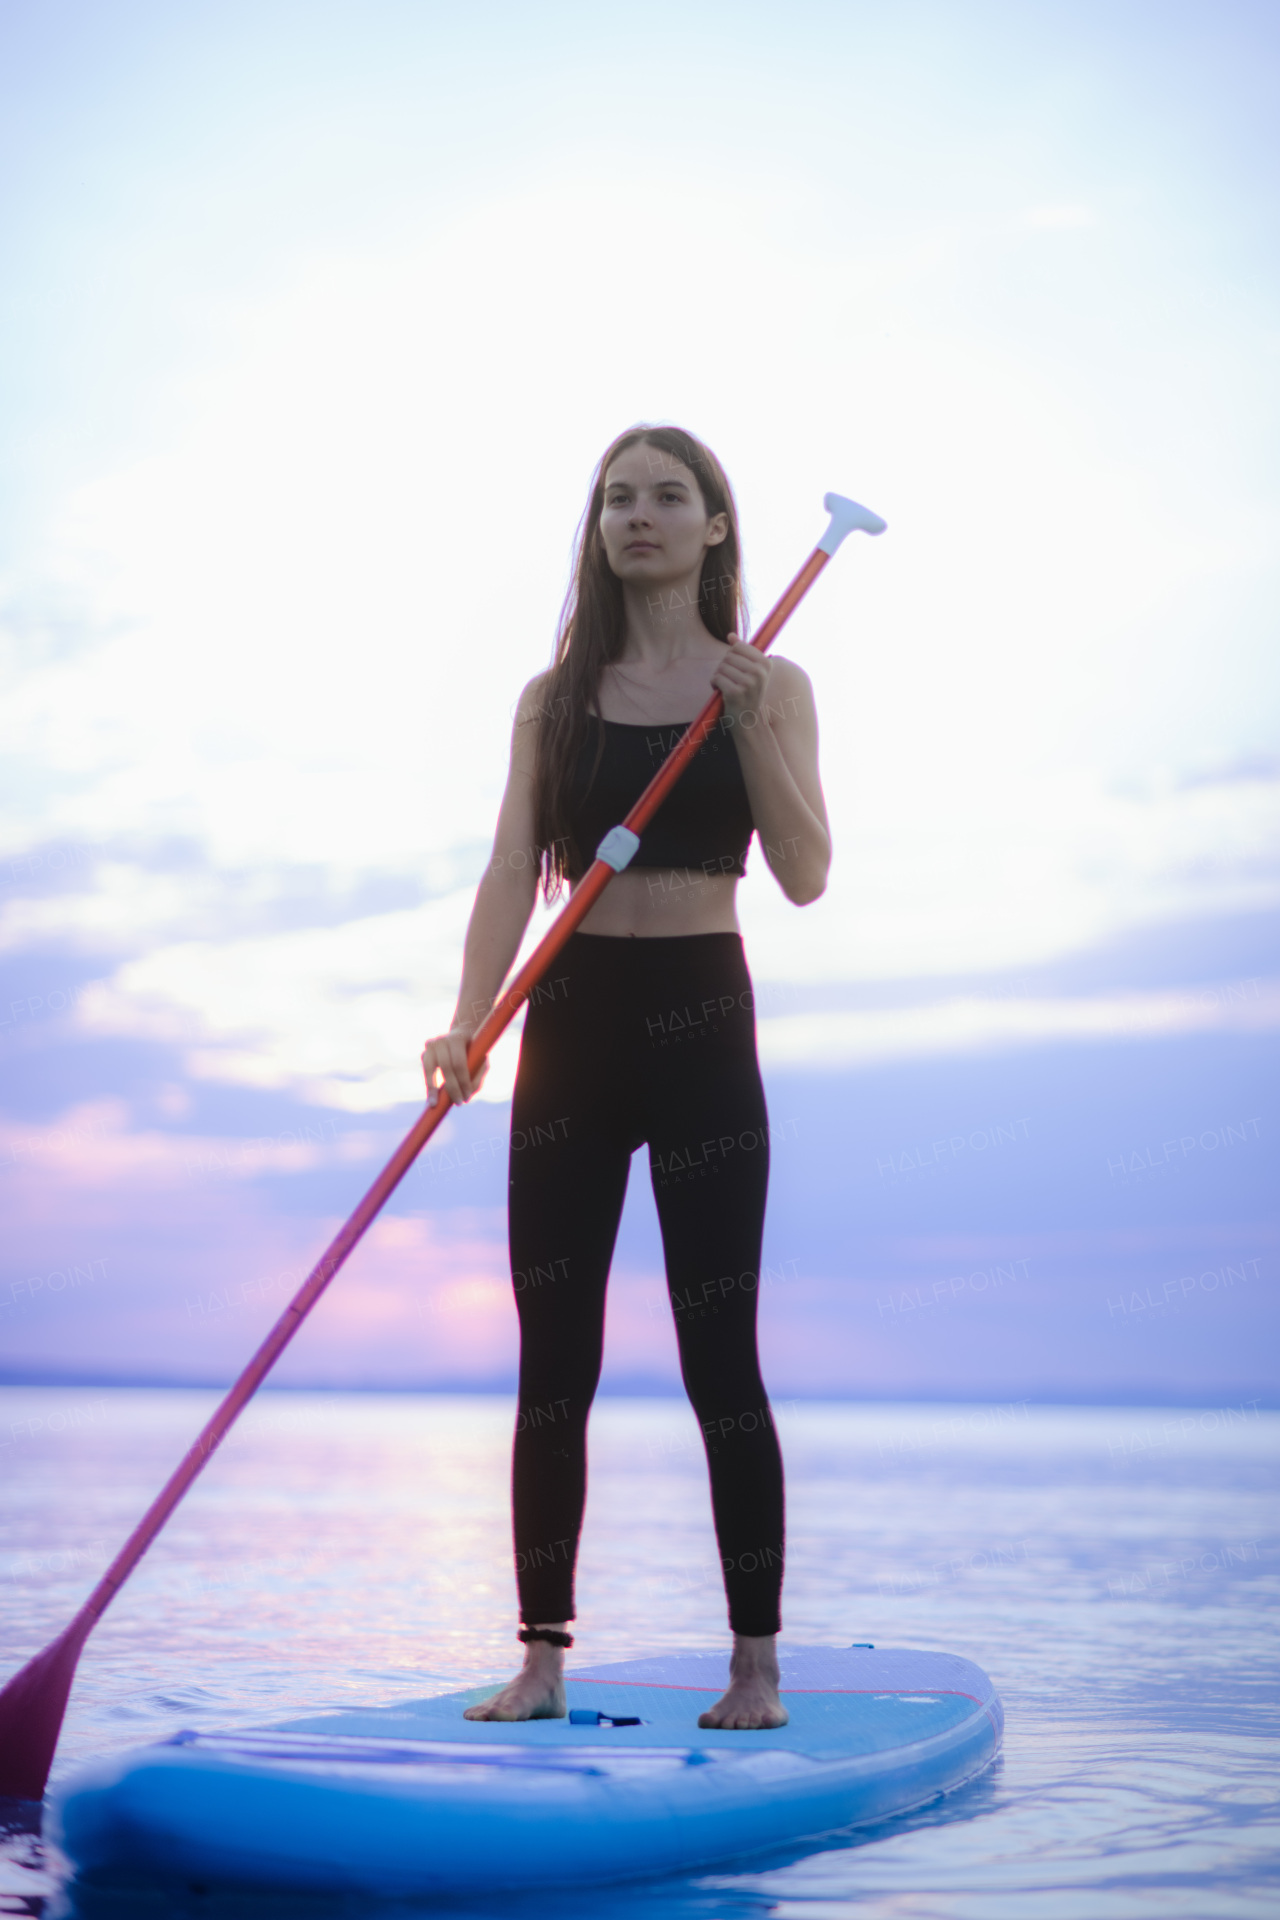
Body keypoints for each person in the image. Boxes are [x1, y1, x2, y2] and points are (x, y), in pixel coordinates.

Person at [421, 425, 830, 1731]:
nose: (636, 517)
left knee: (723, 1352)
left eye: (667, 497)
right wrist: (467, 1021)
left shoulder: (769, 681)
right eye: (616, 500)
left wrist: (756, 726)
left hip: (703, 1016)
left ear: (716, 528)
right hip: (571, 1025)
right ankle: (542, 1660)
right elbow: (503, 873)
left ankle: (755, 1665)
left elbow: (809, 870)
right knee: (556, 1359)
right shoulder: (554, 698)